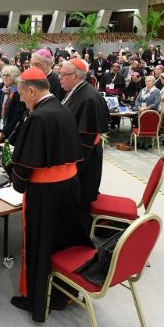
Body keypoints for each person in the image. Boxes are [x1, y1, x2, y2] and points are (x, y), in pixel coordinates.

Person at [6, 67, 93, 322]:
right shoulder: (63, 108)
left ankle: (37, 298)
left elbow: (26, 164)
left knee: (40, 244)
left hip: (45, 193)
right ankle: (60, 292)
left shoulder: (39, 117)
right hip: (68, 186)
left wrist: (16, 179)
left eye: (22, 94)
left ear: (32, 90)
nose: (21, 99)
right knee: (62, 241)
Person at [59, 59, 109, 219]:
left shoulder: (89, 98)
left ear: (75, 76)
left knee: (80, 204)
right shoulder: (76, 91)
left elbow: (86, 139)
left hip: (84, 161)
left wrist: (71, 168)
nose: (60, 78)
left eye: (63, 75)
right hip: (78, 156)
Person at [0, 65, 25, 145]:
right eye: (4, 75)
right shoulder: (0, 92)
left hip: (11, 133)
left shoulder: (18, 94)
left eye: (8, 75)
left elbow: (16, 118)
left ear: (15, 77)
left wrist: (3, 134)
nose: (5, 77)